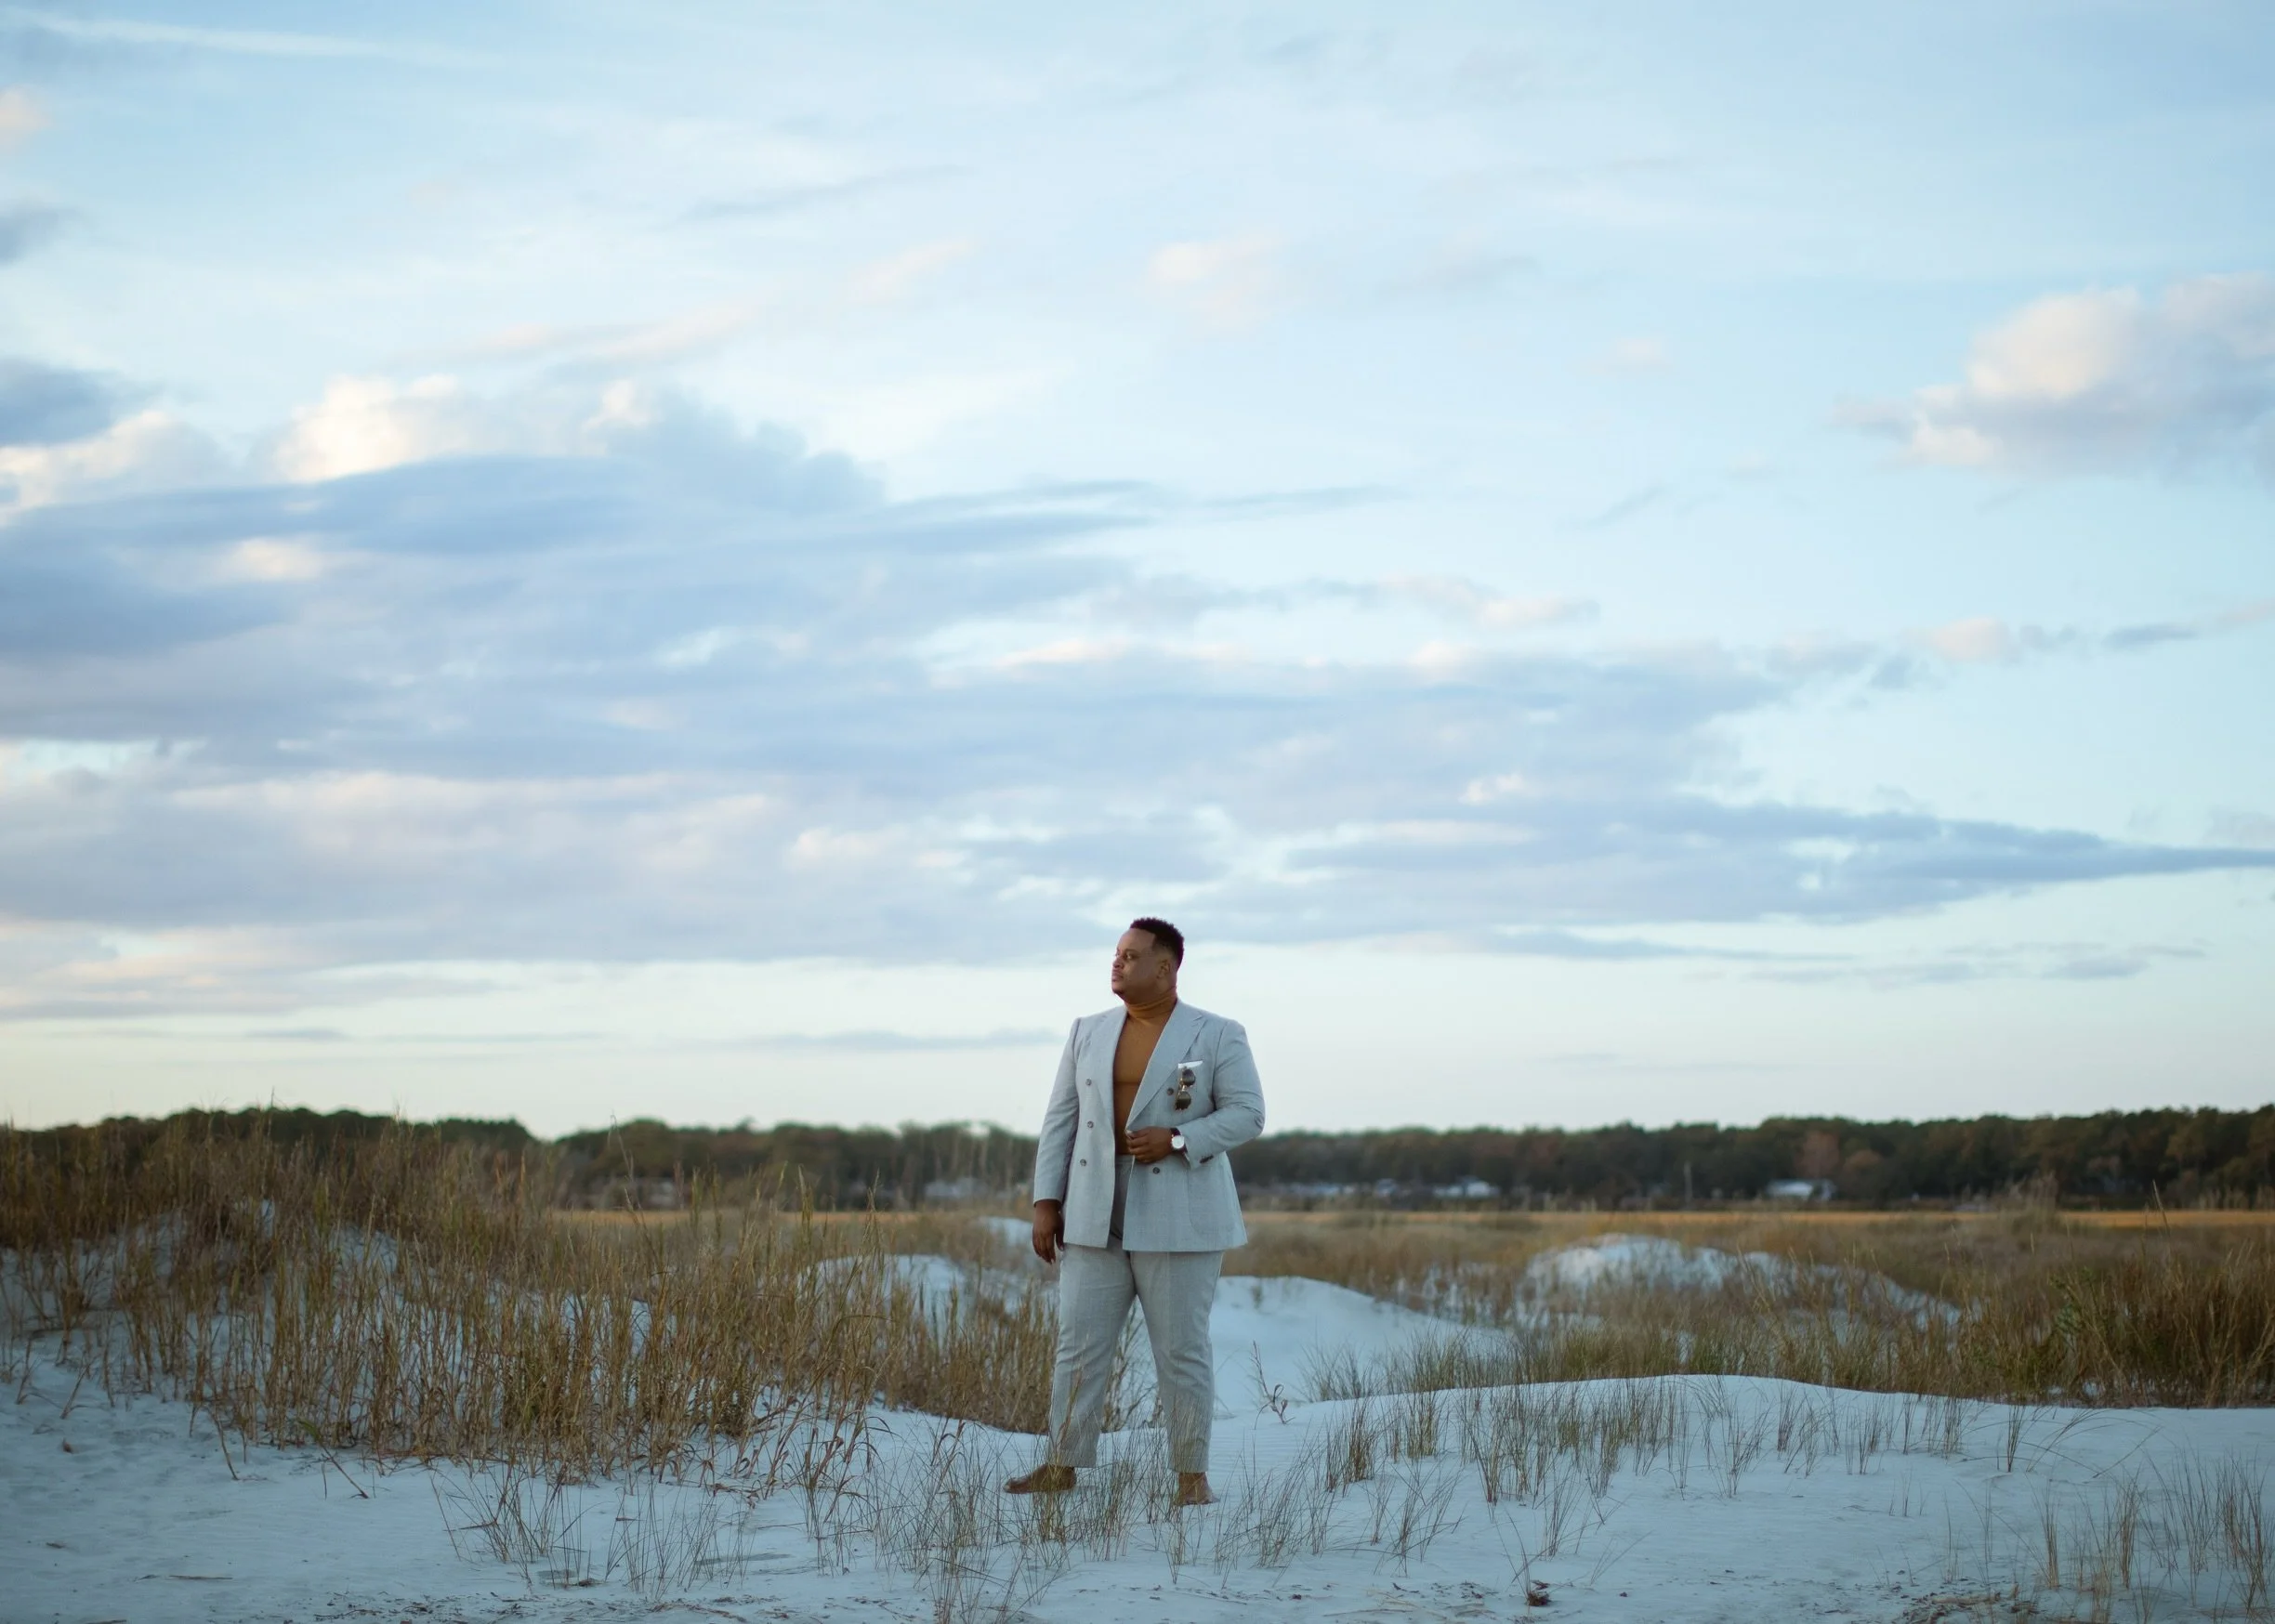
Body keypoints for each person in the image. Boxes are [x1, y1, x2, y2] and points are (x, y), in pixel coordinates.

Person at [1004, 917, 1266, 1508]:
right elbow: (1060, 1121)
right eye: (1116, 954)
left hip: (1179, 1213)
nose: (1117, 964)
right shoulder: (1086, 1031)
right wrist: (1046, 1202)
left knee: (1180, 1350)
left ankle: (1191, 1478)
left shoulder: (1217, 1033)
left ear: (1165, 967)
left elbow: (1249, 1114)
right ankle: (1062, 1464)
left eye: (1130, 955)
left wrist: (1178, 1137)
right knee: (1078, 1344)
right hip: (1093, 1211)